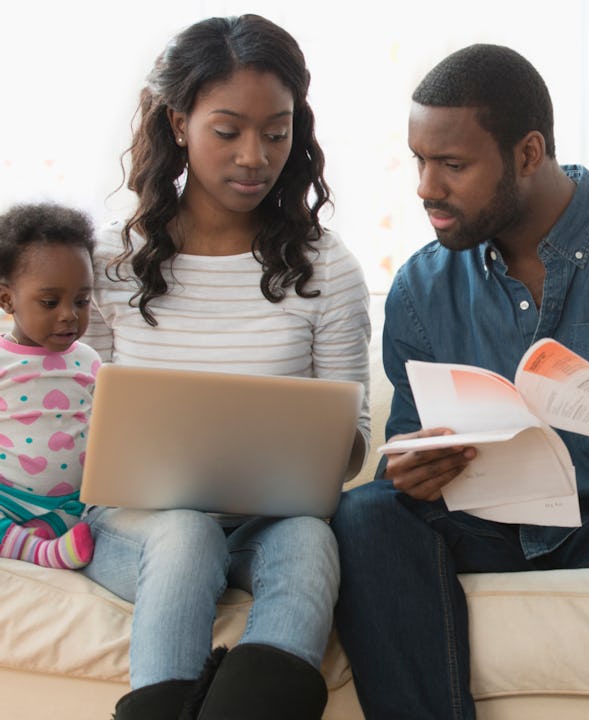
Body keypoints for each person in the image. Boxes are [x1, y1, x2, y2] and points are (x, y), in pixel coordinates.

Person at [331, 43, 589, 719]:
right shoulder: (421, 289)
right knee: (367, 514)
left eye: (452, 165)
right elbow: (405, 455)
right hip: (490, 530)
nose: (426, 187)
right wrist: (415, 469)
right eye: (420, 160)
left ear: (528, 153)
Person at [80, 14, 370, 720]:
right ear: (179, 123)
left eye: (277, 131)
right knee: (186, 529)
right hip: (136, 529)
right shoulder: (109, 260)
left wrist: (318, 444)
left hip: (269, 522)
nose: (255, 156)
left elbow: (353, 445)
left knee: (307, 538)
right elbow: (76, 418)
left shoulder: (326, 267)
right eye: (229, 130)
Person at [0, 202, 98, 570]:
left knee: (97, 514)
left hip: (69, 505)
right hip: (6, 498)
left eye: (82, 301)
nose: (69, 314)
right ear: (7, 299)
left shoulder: (89, 360)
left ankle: (44, 543)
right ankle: (39, 552)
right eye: (49, 301)